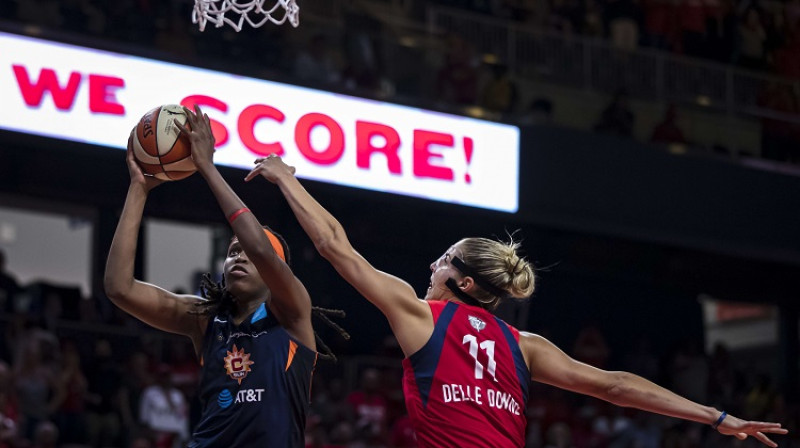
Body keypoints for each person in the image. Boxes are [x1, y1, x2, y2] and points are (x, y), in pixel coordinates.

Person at [246, 155, 789, 448]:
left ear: (463, 282)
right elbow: (615, 386)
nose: (432, 264)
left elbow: (333, 247)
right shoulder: (524, 346)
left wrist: (286, 180)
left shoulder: (420, 314)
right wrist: (713, 415)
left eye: (443, 259)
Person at [104, 105, 330, 447]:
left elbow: (260, 247)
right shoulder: (206, 319)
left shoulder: (292, 312)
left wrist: (207, 167)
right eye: (232, 252)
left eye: (249, 253)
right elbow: (119, 289)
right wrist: (139, 188)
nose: (239, 255)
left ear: (275, 273)